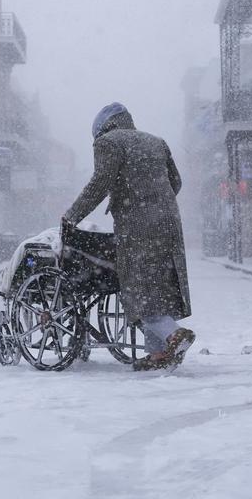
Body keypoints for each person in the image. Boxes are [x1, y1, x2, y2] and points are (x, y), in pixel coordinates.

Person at [63, 102, 195, 371]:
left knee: (138, 286)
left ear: (101, 129)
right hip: (169, 224)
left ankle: (173, 334)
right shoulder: (156, 141)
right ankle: (158, 354)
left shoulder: (108, 143)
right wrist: (157, 202)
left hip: (138, 226)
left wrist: (72, 216)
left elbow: (100, 182)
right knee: (161, 286)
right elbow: (176, 182)